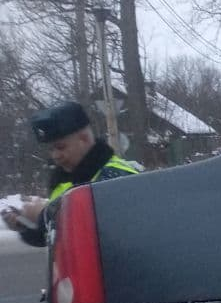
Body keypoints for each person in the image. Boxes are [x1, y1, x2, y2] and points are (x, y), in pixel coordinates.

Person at [1, 101, 139, 248]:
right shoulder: (63, 180)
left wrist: (45, 214)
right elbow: (57, 238)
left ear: (84, 139)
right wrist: (25, 225)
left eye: (60, 147)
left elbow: (109, 234)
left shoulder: (118, 176)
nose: (55, 156)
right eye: (51, 149)